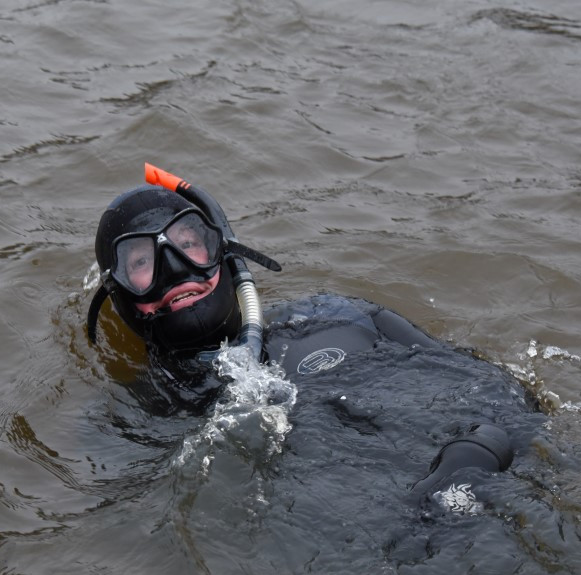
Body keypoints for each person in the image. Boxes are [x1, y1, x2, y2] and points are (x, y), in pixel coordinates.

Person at [86, 164, 535, 511]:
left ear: (223, 251)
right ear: (120, 294)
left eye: (189, 241)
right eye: (142, 262)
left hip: (501, 481)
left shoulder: (338, 314)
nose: (177, 270)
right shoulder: (147, 409)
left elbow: (506, 392)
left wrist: (476, 453)